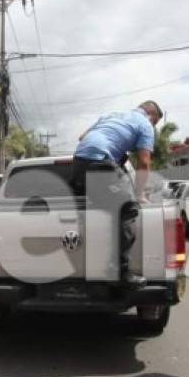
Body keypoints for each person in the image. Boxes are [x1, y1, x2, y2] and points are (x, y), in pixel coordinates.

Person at [71, 100, 163, 287]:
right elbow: (144, 163)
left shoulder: (111, 115)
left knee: (93, 208)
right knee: (127, 209)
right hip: (99, 164)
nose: (153, 127)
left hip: (78, 163)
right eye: (155, 123)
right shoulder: (145, 124)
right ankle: (120, 272)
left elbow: (82, 137)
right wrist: (138, 195)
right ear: (151, 115)